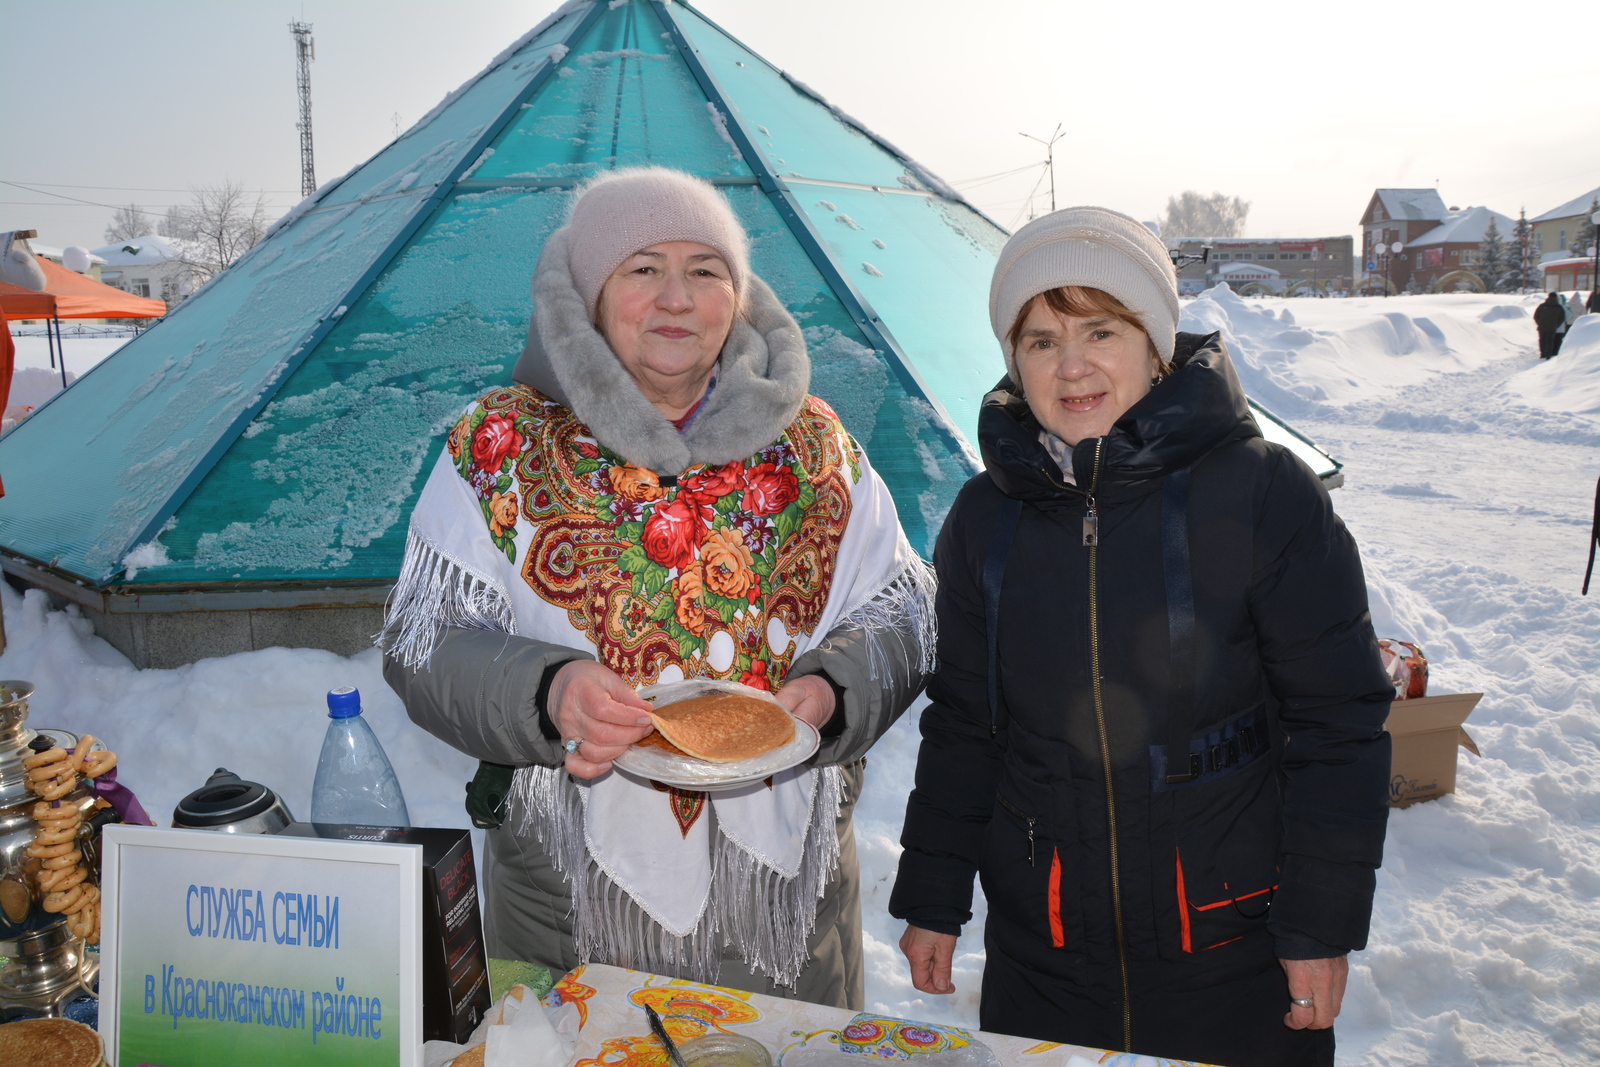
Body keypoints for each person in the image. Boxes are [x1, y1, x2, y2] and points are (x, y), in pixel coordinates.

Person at [381, 167, 932, 1008]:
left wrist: (833, 690)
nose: (677, 297)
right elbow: (425, 645)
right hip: (571, 918)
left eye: (705, 271)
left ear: (737, 296)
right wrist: (549, 689)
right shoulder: (501, 442)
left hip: (786, 925)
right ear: (592, 293)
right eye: (642, 268)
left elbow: (904, 614)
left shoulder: (814, 444)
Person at [888, 207, 1393, 1067]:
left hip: (1235, 959)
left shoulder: (1264, 493)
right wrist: (933, 892)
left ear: (1156, 346)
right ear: (1014, 361)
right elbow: (968, 721)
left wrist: (1319, 923)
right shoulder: (986, 518)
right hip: (1042, 961)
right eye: (1041, 340)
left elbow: (1337, 721)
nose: (1072, 363)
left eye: (1100, 330)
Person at [1535, 291, 1566, 358]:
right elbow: (1562, 318)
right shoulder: (1559, 307)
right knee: (1550, 340)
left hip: (1542, 326)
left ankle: (1543, 353)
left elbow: (1536, 316)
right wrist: (1557, 325)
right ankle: (1548, 354)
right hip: (1553, 326)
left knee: (1542, 340)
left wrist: (1539, 323)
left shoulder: (1542, 306)